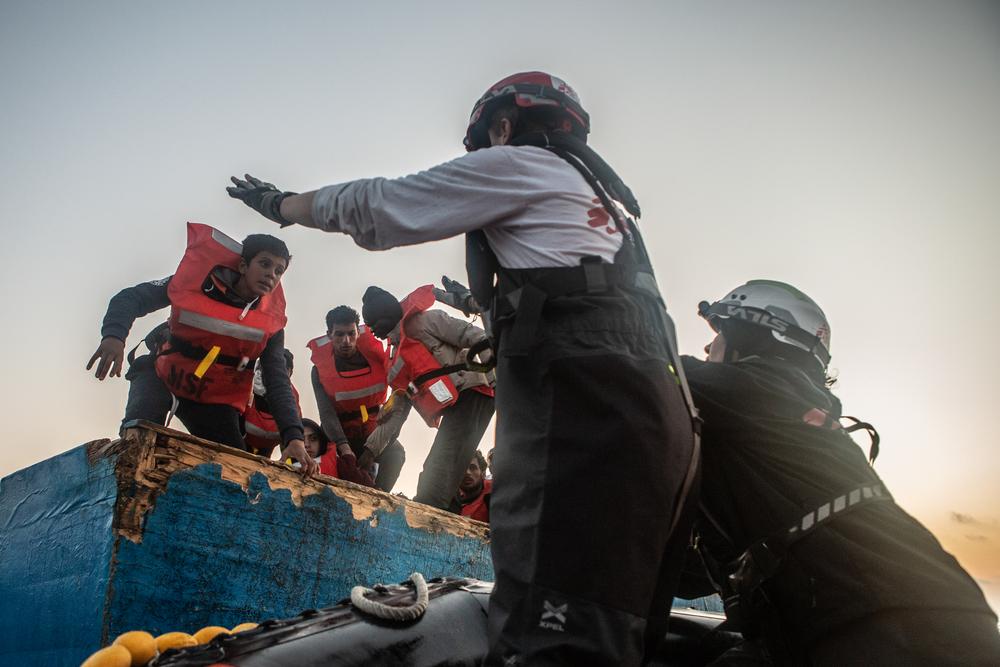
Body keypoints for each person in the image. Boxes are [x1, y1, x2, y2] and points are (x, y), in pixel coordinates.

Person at [227, 71, 700, 665]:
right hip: (662, 412)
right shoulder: (609, 210)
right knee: (617, 632)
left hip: (583, 404)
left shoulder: (521, 164)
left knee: (548, 637)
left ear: (504, 127)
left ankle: (437, 524)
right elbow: (398, 409)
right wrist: (367, 452)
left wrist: (281, 205)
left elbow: (381, 206)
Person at [680, 280, 1000, 664]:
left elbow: (644, 366)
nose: (706, 348)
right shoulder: (776, 421)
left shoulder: (768, 386)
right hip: (915, 616)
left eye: (718, 333)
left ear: (753, 333)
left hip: (885, 626)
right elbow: (702, 571)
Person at [87, 223, 317, 477]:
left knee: (235, 471)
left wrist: (293, 437)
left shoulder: (272, 324)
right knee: (137, 443)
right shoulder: (192, 282)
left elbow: (277, 380)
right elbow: (130, 298)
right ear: (243, 266)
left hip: (212, 399)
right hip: (162, 376)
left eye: (279, 270)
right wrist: (114, 337)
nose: (271, 274)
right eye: (264, 264)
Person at [360, 284, 495, 511]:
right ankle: (450, 524)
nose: (372, 329)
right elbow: (398, 410)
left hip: (473, 395)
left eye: (374, 321)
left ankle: (428, 529)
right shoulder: (395, 357)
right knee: (440, 476)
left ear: (386, 315)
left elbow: (477, 337)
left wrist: (496, 382)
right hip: (454, 407)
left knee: (435, 478)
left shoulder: (425, 322)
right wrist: (370, 451)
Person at [308, 305, 405, 491]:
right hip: (340, 436)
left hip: (374, 431)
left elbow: (398, 400)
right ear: (329, 335)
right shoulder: (318, 371)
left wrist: (374, 448)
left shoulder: (378, 358)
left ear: (358, 333)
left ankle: (380, 500)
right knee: (333, 467)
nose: (346, 341)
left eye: (351, 333)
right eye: (339, 334)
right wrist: (345, 449)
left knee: (396, 454)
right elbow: (327, 414)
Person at [243, 349, 301, 458]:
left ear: (289, 372)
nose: (272, 372)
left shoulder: (293, 397)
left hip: (267, 452)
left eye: (280, 369)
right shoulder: (246, 384)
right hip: (240, 442)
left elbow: (294, 432)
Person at [455, 450, 491, 523]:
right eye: (462, 468)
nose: (467, 472)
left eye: (472, 467)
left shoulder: (495, 493)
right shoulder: (448, 501)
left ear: (483, 473)